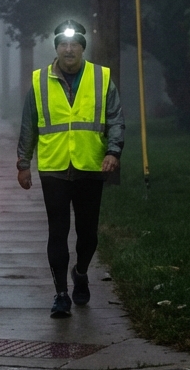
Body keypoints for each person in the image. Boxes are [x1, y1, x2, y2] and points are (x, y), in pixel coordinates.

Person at [16, 19, 125, 318]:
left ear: (82, 49)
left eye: (74, 44)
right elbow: (29, 125)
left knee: (88, 233)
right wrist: (23, 163)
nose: (68, 50)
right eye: (63, 45)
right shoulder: (39, 81)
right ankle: (61, 294)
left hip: (90, 166)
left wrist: (114, 151)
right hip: (54, 169)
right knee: (58, 232)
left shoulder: (101, 78)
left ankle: (81, 271)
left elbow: (115, 118)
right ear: (56, 49)